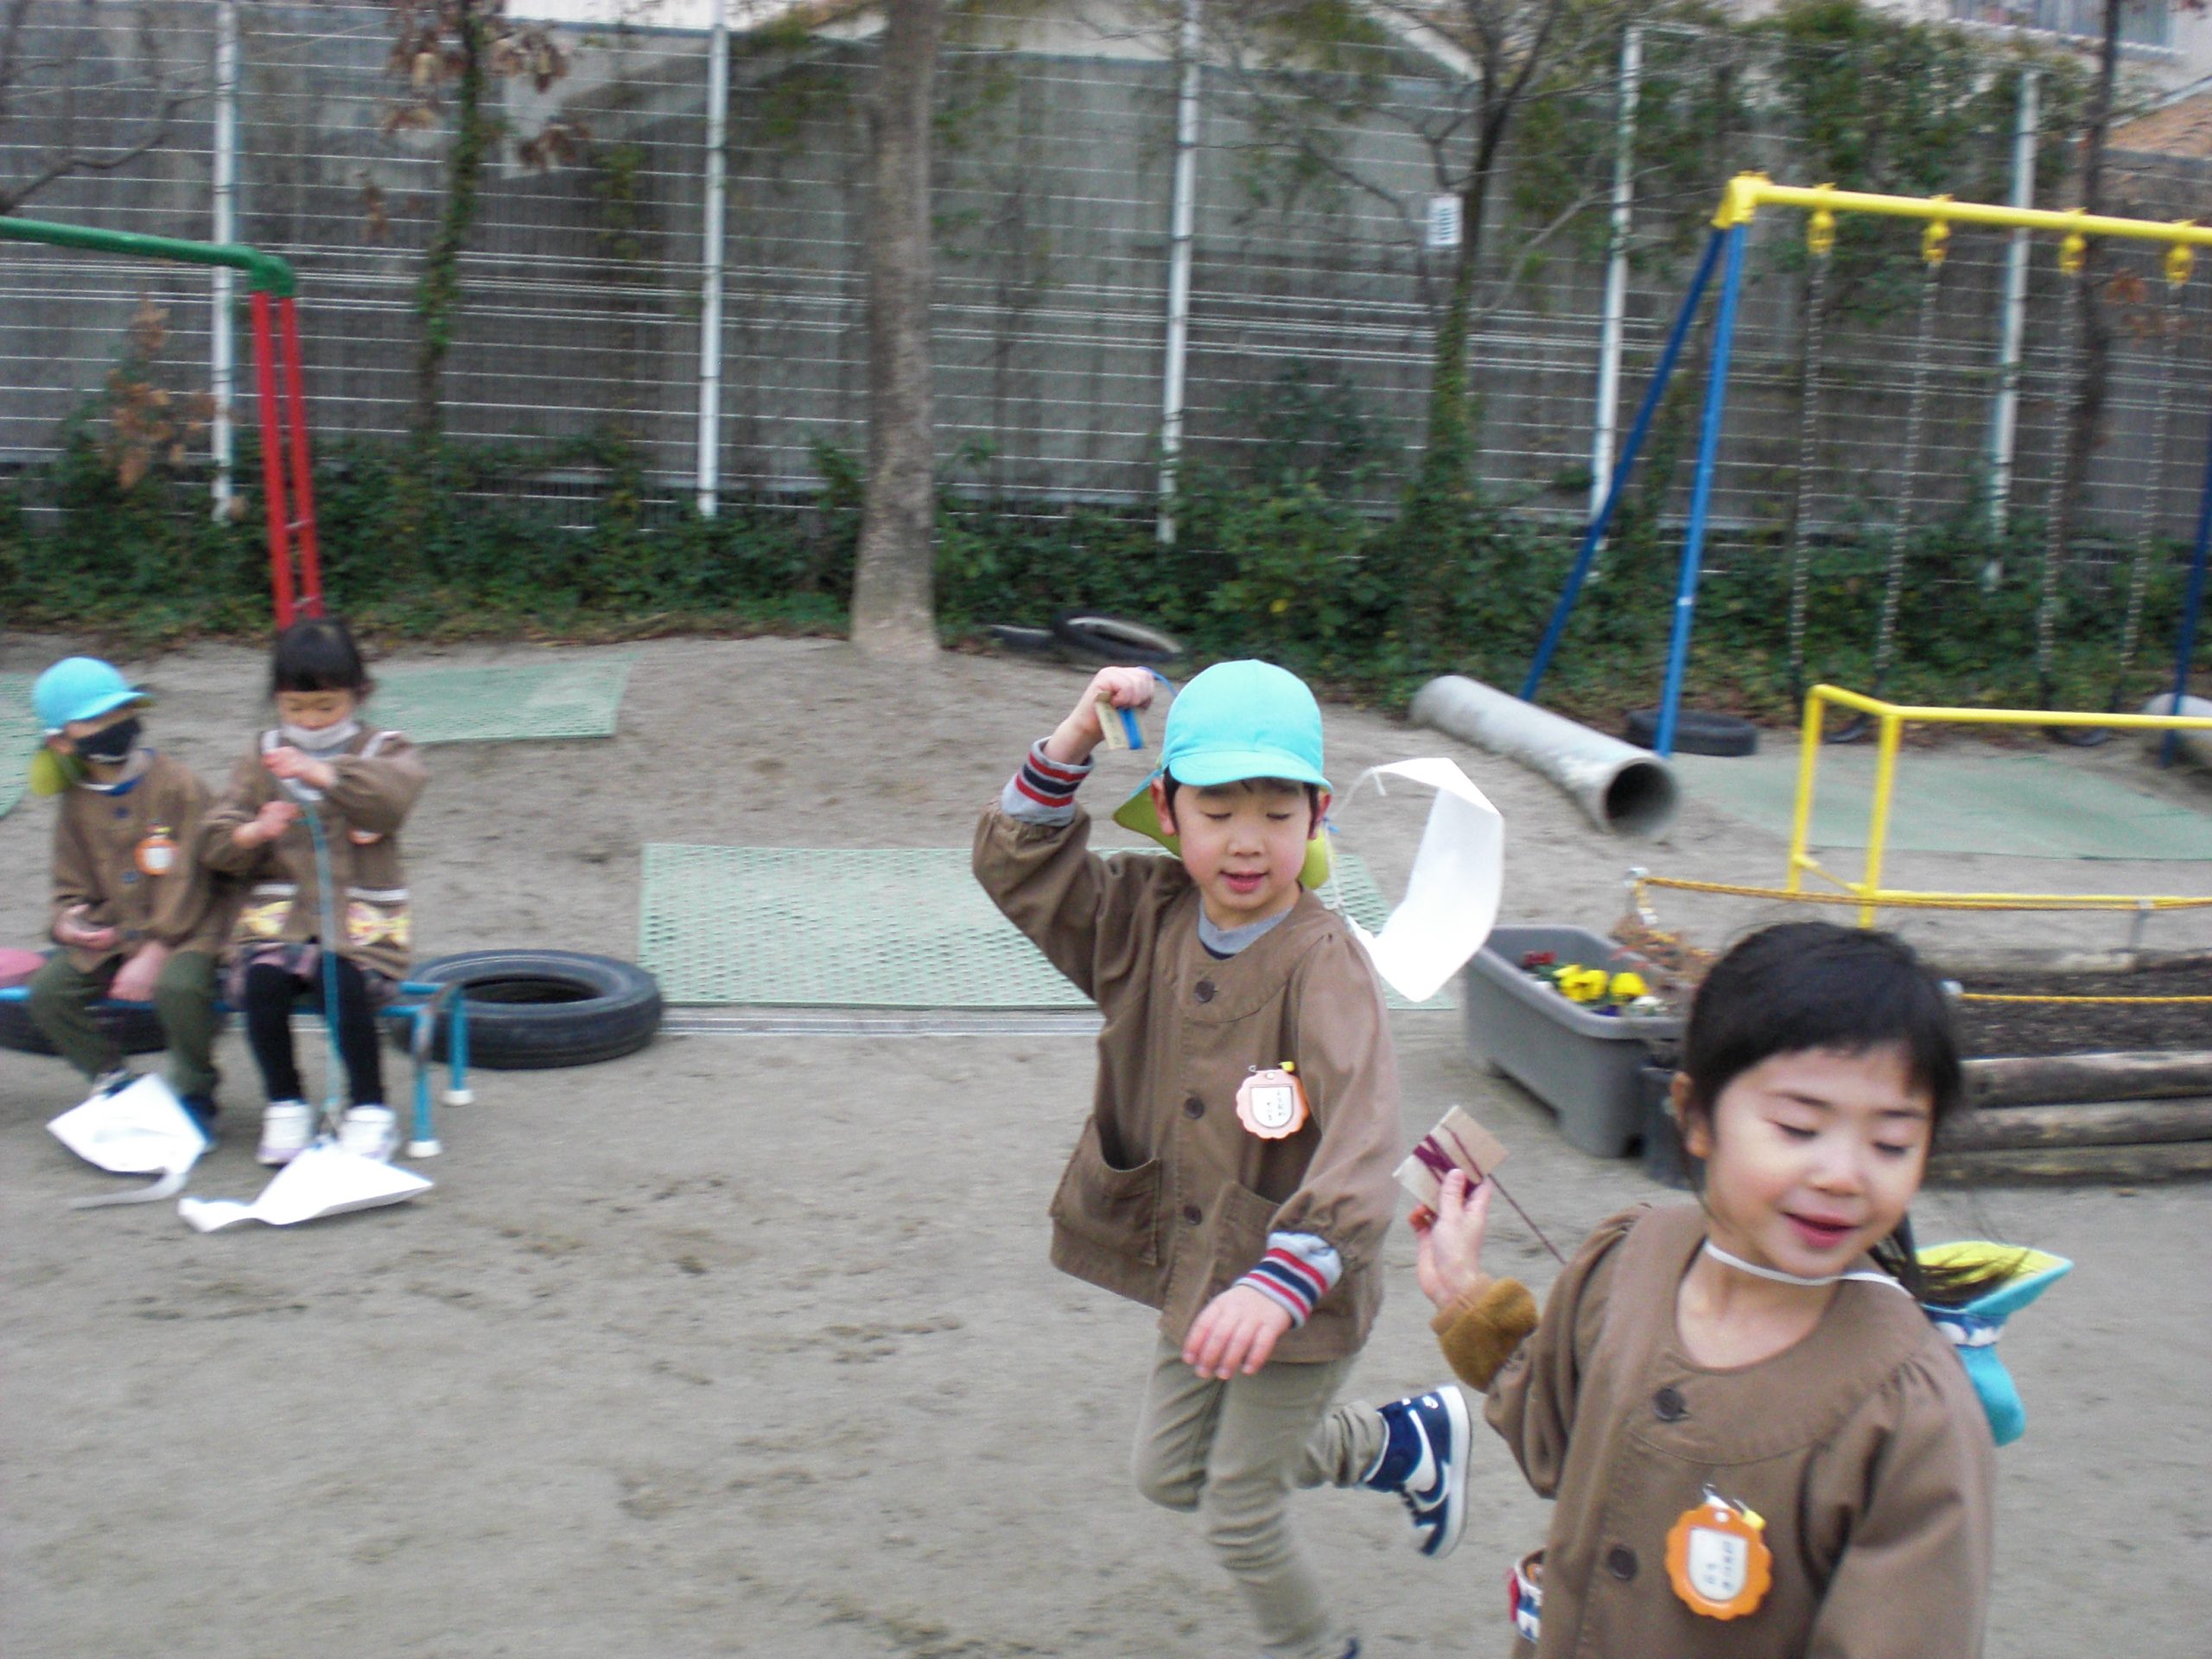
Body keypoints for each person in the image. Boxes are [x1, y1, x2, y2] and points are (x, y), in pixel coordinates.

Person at [973, 660, 1465, 1659]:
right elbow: (1021, 870)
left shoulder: (1325, 962)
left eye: (1278, 813)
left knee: (1241, 1511)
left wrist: (1288, 1278)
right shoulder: (1142, 915)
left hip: (1299, 1284)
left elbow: (1366, 1133)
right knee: (1167, 1475)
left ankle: (1319, 1646)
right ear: (1167, 810)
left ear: (1318, 814)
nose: (1247, 840)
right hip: (1201, 1269)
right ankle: (1395, 1442)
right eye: (1217, 810)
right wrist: (1075, 734)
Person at [1398, 921, 2005, 1656]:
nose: (1844, 1175)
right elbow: (1560, 1443)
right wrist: (1465, 1293)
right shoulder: (1631, 1259)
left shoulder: (1913, 1416)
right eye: (1799, 1126)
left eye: (1891, 1143)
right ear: (1694, 1116)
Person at [200, 618, 426, 1165]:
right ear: (277, 700)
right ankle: (285, 1103)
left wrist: (325, 774)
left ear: (358, 694)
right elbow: (215, 839)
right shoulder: (263, 755)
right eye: (295, 707)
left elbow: (392, 800)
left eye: (326, 706)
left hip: (358, 923)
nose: (310, 720)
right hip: (279, 921)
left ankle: (369, 1108)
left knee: (338, 980)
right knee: (262, 983)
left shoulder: (384, 748)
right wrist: (254, 831)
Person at [22, 657, 226, 1138]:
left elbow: (196, 877)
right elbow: (70, 881)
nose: (114, 726)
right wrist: (70, 922)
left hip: (191, 928)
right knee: (49, 992)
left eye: (121, 712)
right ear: (62, 742)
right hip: (118, 931)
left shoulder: (178, 786)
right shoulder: (76, 802)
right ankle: (112, 1080)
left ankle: (196, 1091)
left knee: (180, 989)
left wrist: (156, 949)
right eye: (95, 720)